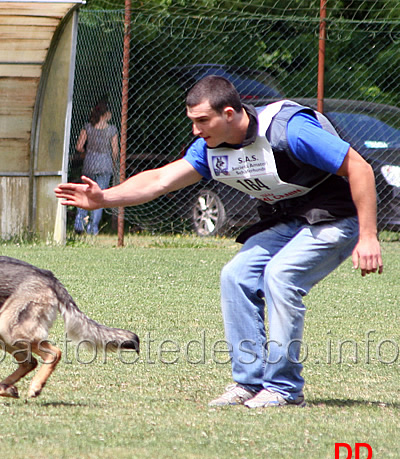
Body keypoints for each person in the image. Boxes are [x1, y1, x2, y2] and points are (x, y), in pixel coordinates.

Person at [55, 75, 383, 408]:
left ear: (229, 113)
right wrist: (103, 198)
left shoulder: (289, 130)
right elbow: (160, 180)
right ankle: (249, 383)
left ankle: (284, 389)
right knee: (235, 276)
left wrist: (368, 236)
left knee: (280, 277)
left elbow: (360, 168)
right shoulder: (209, 149)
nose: (196, 130)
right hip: (288, 218)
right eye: (192, 122)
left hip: (338, 216)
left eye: (202, 121)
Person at [72, 101, 119, 235]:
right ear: (106, 114)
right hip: (105, 163)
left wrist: (86, 154)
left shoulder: (87, 127)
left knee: (85, 192)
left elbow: (79, 146)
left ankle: (79, 224)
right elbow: (115, 151)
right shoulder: (112, 130)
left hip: (90, 163)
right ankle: (93, 228)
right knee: (100, 195)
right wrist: (114, 163)